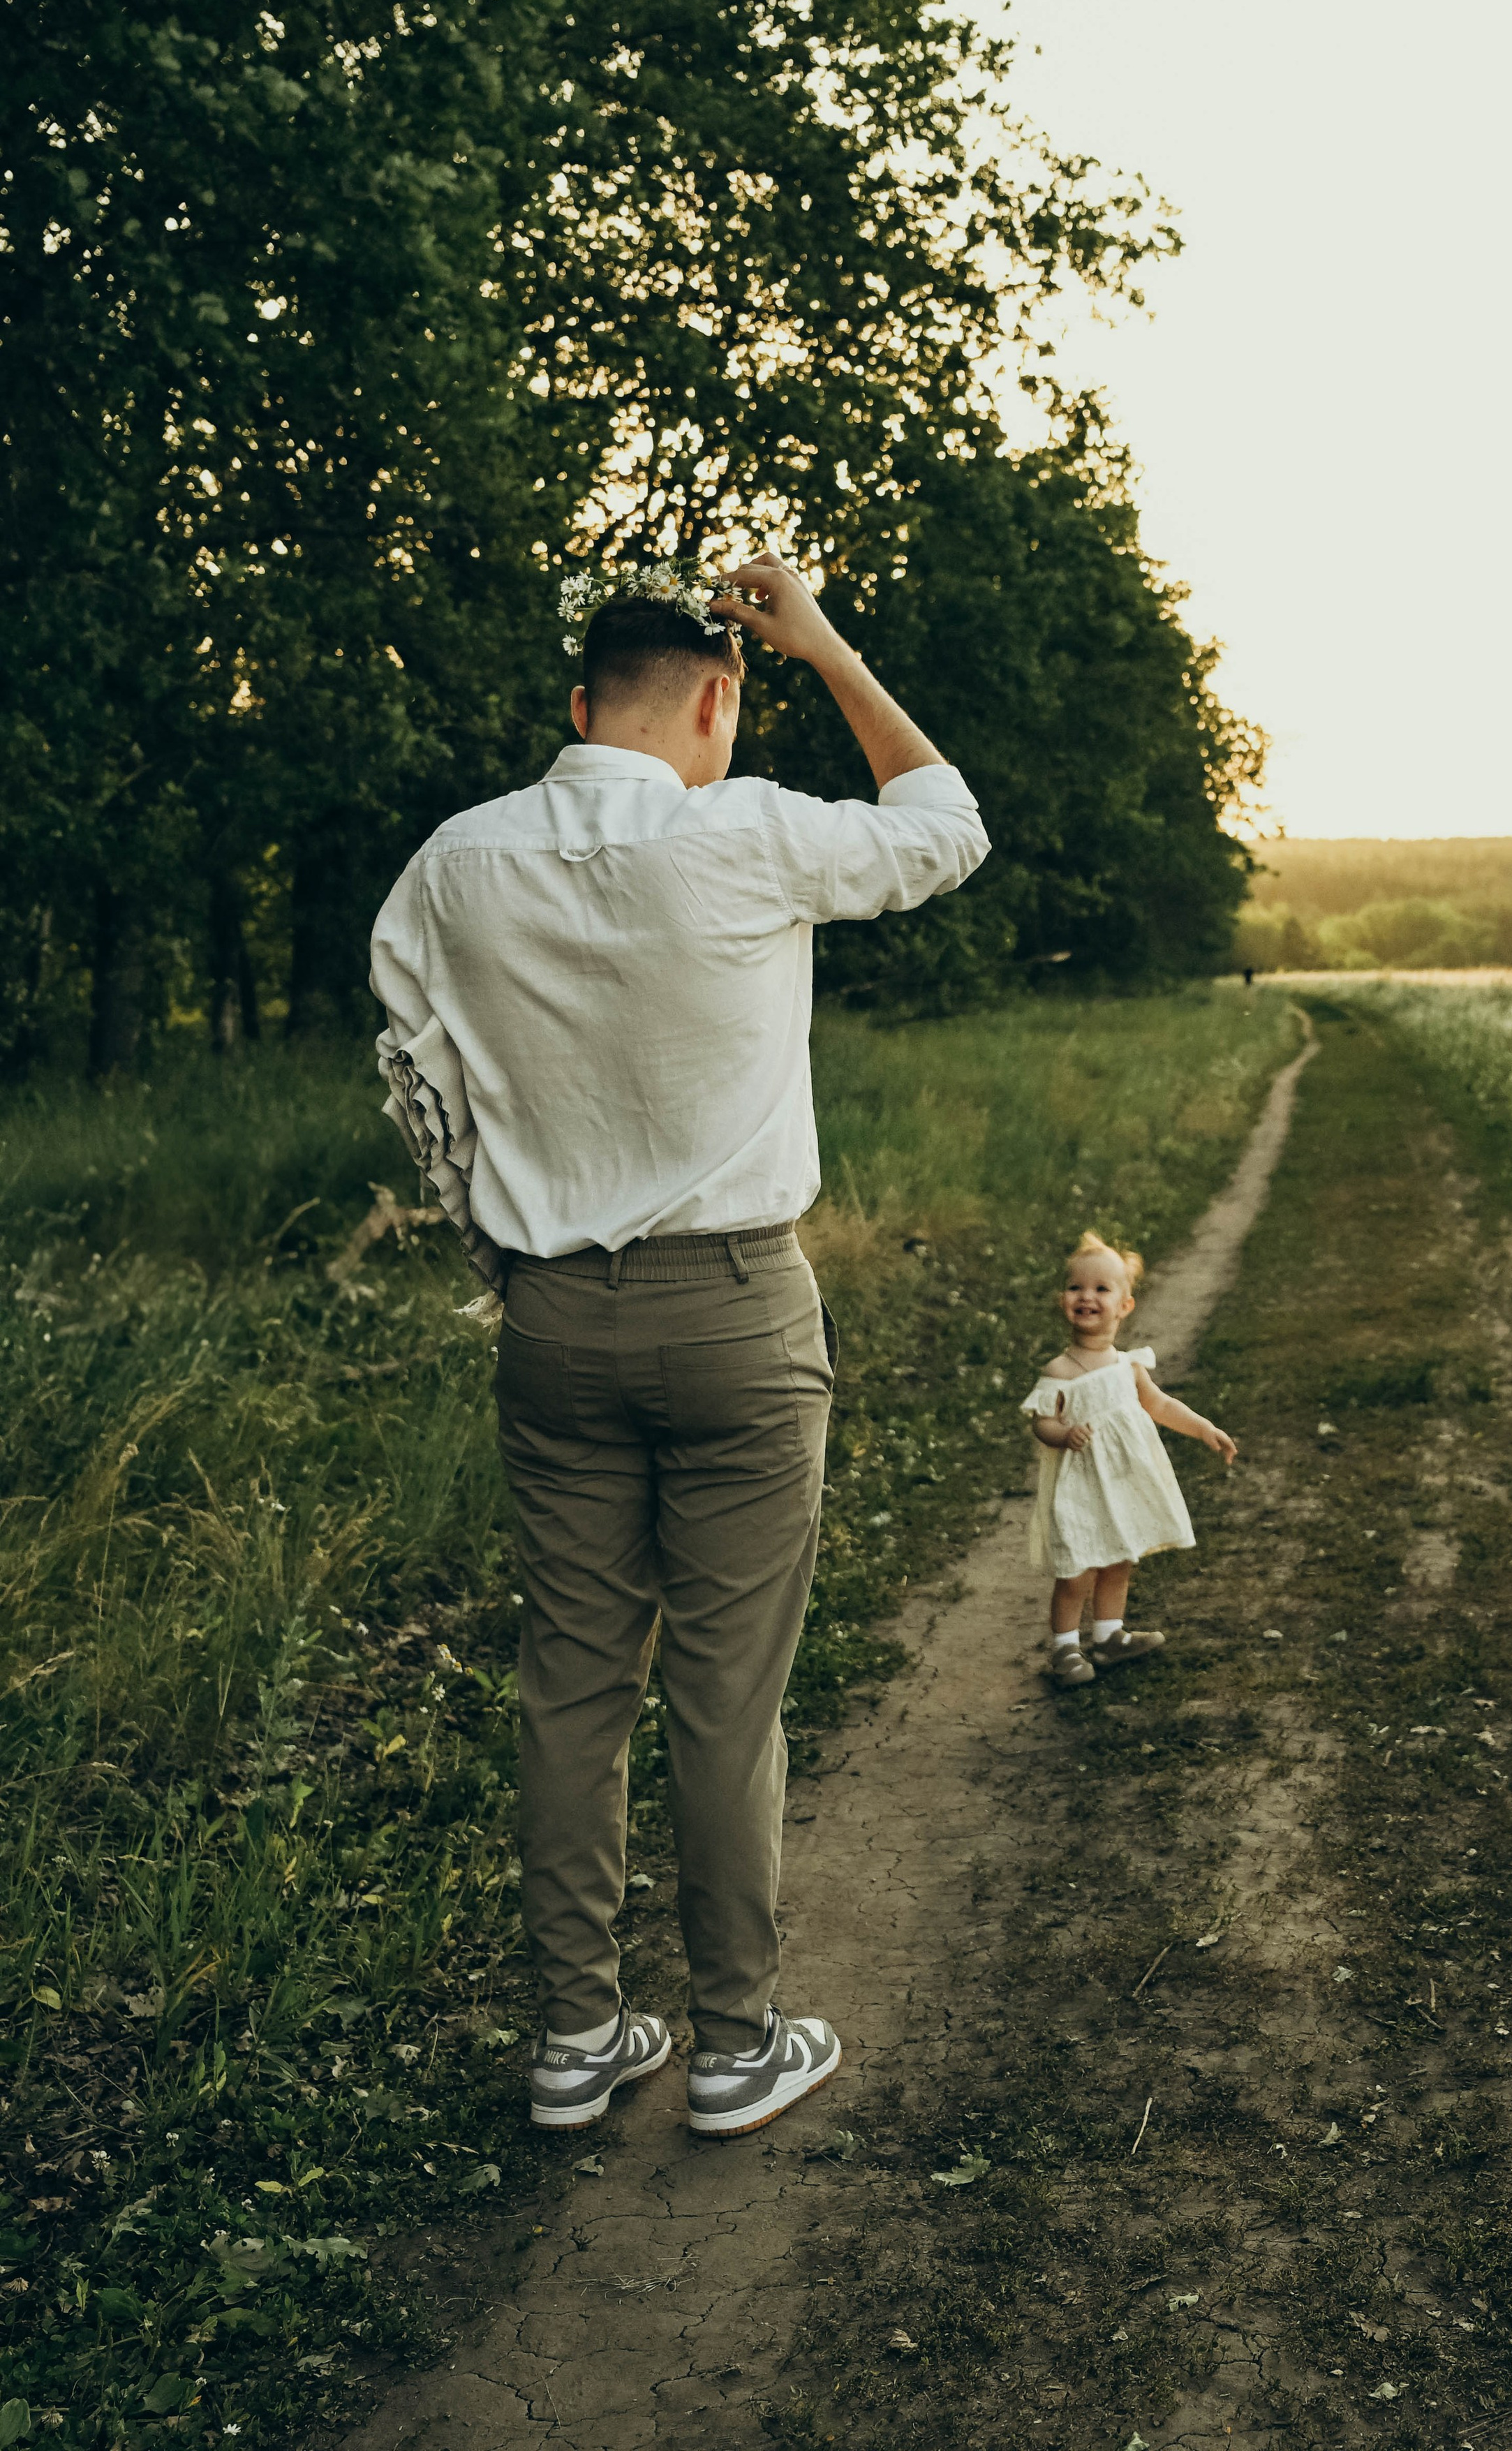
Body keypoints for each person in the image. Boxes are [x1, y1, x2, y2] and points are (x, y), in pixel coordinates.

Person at [369, 550, 988, 2138]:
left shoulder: (454, 863)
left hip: (552, 1313)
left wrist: (495, 1243)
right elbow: (945, 825)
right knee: (726, 1694)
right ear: (713, 701)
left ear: (576, 708)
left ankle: (576, 2038)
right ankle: (731, 2042)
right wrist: (827, 641)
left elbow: (415, 1077)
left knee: (573, 1685)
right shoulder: (748, 830)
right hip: (734, 1312)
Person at [1021, 1231, 1238, 1689]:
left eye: (1103, 1289)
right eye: (1078, 1287)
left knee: (1119, 1559)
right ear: (1064, 1299)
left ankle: (1109, 1635)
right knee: (1077, 1570)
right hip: (1080, 1488)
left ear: (1125, 1305)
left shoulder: (1128, 1366)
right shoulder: (1059, 1371)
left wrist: (1203, 1427)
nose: (1088, 1296)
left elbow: (1160, 1405)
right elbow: (1041, 1422)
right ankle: (1064, 1647)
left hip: (1119, 1484)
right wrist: (1063, 1433)